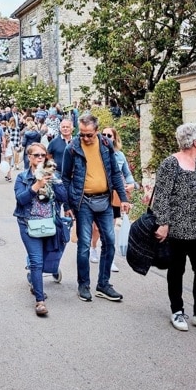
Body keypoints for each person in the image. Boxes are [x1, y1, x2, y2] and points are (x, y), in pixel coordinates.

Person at [152, 123, 196, 333]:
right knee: (177, 270)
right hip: (178, 229)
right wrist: (163, 223)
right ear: (195, 142)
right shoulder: (170, 163)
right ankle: (177, 310)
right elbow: (162, 196)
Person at [61, 113, 130, 303]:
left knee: (109, 241)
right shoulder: (72, 148)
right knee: (84, 245)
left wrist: (123, 198)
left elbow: (115, 173)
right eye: (81, 134)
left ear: (97, 131)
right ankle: (83, 284)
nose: (84, 138)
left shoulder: (106, 146)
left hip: (105, 201)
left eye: (89, 135)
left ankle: (103, 284)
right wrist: (68, 204)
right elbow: (65, 177)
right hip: (83, 203)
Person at [14, 143, 68, 316]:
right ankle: (40, 301)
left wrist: (55, 181)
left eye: (43, 155)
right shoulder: (22, 177)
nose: (40, 158)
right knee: (37, 261)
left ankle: (32, 278)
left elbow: (64, 197)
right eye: (36, 155)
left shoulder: (53, 175)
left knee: (45, 261)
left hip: (50, 224)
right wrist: (37, 185)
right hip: (29, 224)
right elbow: (21, 199)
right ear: (29, 157)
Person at [89, 125, 136, 270]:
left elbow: (126, 173)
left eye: (109, 135)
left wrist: (131, 184)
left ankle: (109, 259)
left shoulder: (119, 155)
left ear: (114, 138)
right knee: (96, 228)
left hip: (114, 196)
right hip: (99, 196)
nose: (106, 137)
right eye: (103, 134)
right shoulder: (95, 152)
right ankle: (93, 248)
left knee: (109, 228)